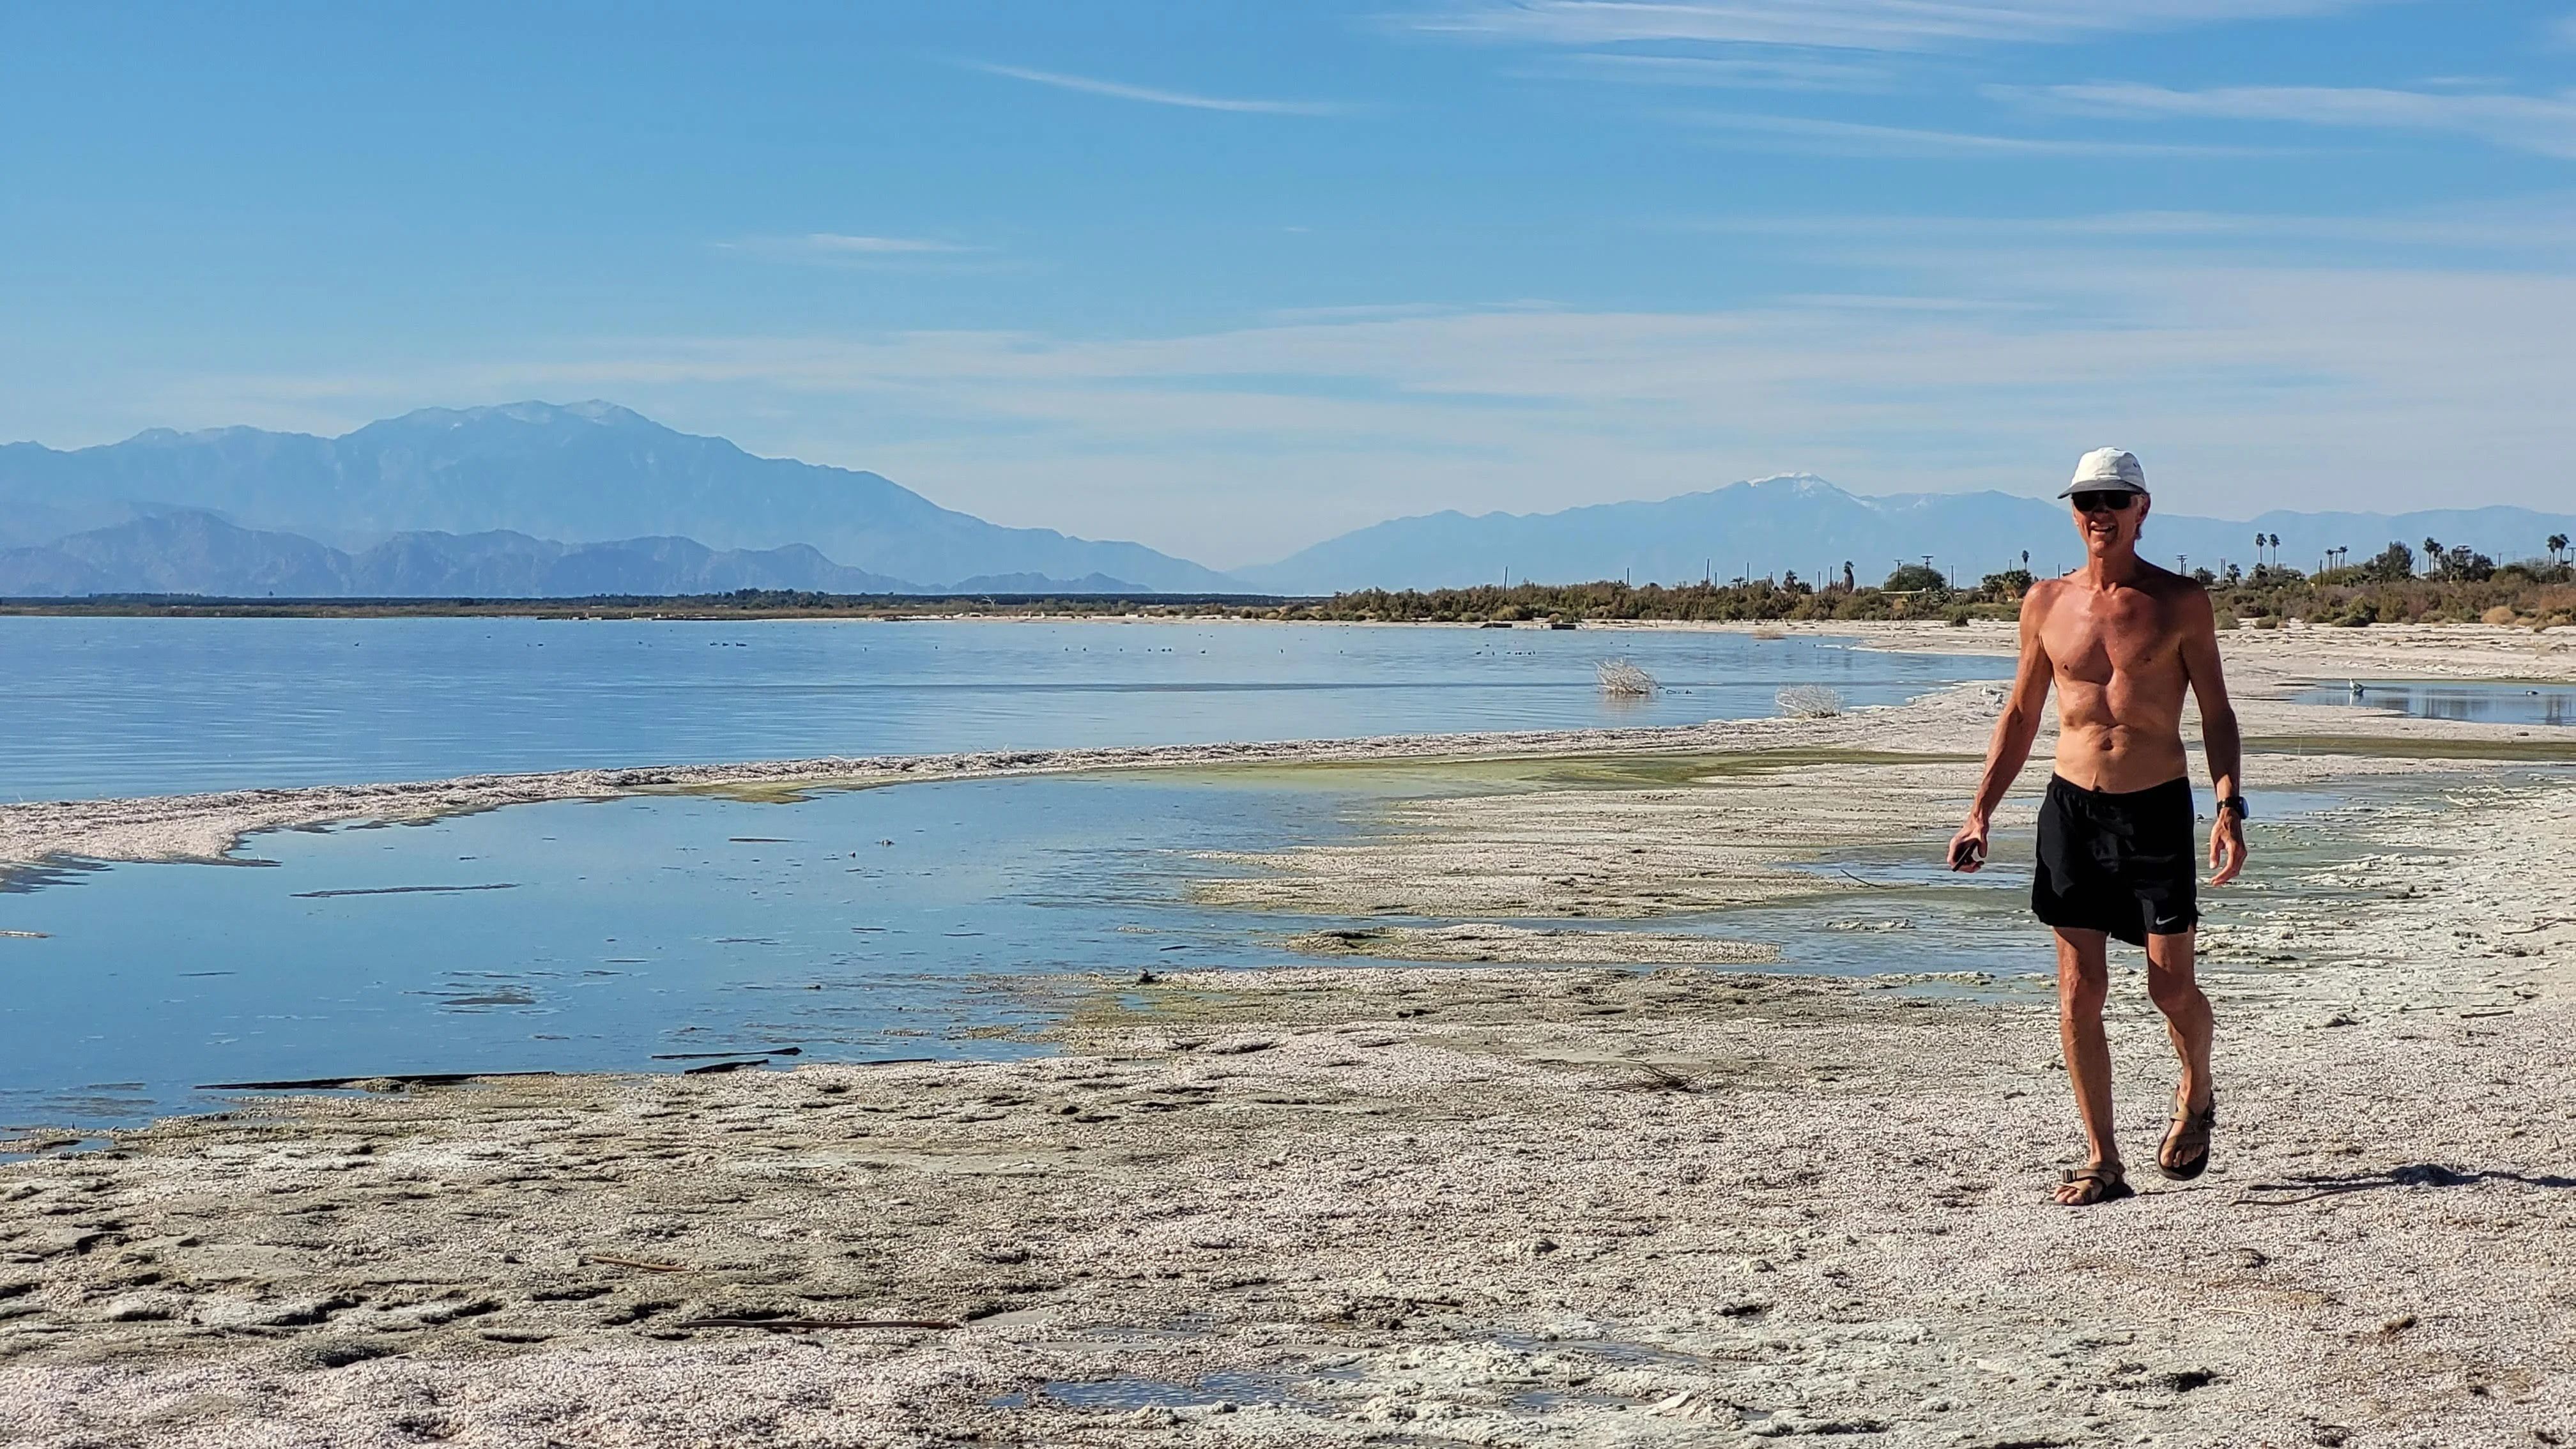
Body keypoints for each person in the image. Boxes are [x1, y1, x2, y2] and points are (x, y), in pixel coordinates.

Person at [1947, 447, 2248, 1206]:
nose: (2100, 512)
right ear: (2074, 512)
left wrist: (2228, 806)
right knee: (2079, 992)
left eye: (2115, 498)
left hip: (2156, 810)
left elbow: (2216, 712)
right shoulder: (2046, 602)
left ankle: (2197, 1089)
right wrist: (1980, 811)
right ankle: (2103, 1159)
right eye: (2087, 500)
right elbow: (2021, 713)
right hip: (2073, 811)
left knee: (2171, 989)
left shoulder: (2180, 602)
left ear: (2142, 508)